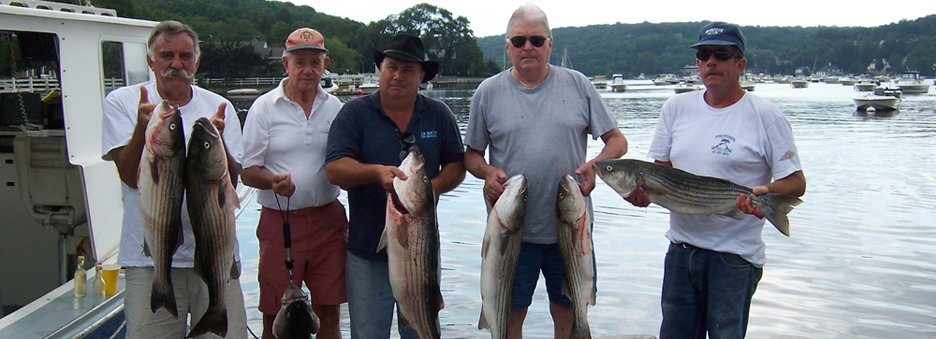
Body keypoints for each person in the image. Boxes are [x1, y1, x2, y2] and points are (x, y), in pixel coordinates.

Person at [626, 22, 806, 338]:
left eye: (721, 55)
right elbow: (659, 174)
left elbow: (795, 182)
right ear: (697, 64)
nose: (711, 62)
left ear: (740, 64)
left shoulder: (766, 114)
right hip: (681, 252)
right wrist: (642, 195)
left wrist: (765, 193)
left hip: (734, 258)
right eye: (704, 55)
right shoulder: (675, 107)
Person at [463, 3, 629, 339]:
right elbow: (471, 156)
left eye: (536, 40)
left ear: (550, 44)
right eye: (519, 40)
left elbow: (618, 141)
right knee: (509, 318)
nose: (528, 47)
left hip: (570, 230)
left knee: (568, 316)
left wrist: (595, 165)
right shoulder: (487, 93)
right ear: (507, 45)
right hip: (511, 233)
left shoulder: (578, 85)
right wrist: (486, 172)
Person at [100, 20, 246, 339]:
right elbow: (128, 176)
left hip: (216, 255)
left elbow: (231, 183)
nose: (176, 64)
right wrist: (142, 128)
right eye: (166, 55)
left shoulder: (219, 107)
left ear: (197, 60)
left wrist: (219, 143)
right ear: (150, 60)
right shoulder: (123, 102)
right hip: (149, 260)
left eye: (185, 55)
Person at [324, 34, 465, 339]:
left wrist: (428, 189)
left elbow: (457, 165)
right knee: (368, 333)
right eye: (392, 67)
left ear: (422, 76)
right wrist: (375, 172)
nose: (398, 76)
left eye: (408, 70)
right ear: (380, 68)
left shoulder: (440, 115)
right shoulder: (354, 113)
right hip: (366, 255)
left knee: (421, 330)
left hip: (422, 252)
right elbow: (334, 169)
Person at [240, 28, 347, 339]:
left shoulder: (335, 107)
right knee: (275, 315)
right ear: (285, 64)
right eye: (300, 62)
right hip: (278, 222)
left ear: (325, 65)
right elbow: (248, 171)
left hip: (329, 220)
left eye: (315, 62)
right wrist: (271, 181)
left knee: (329, 310)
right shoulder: (264, 107)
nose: (308, 70)